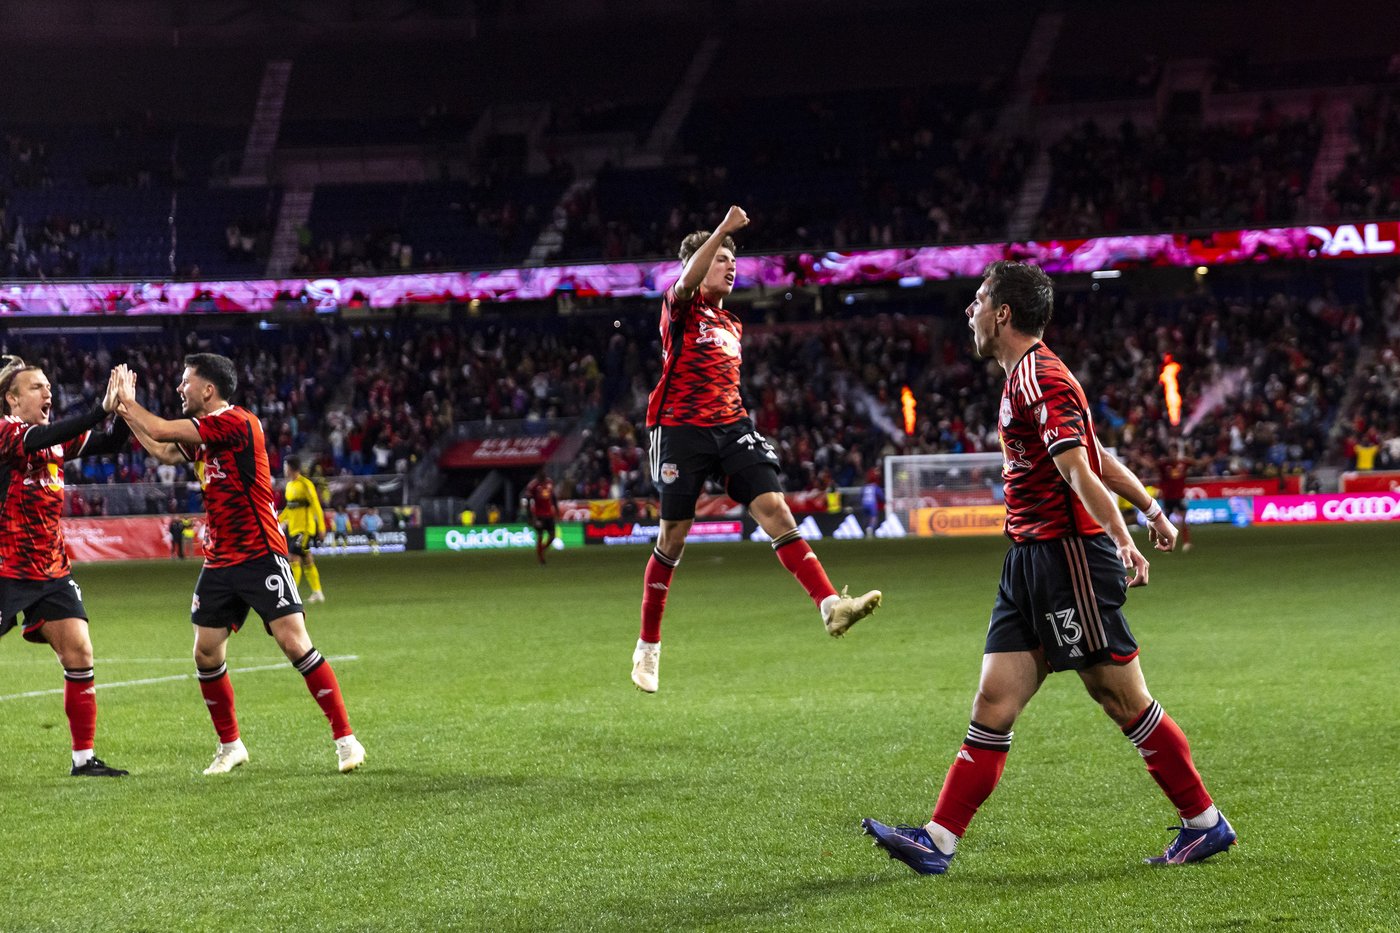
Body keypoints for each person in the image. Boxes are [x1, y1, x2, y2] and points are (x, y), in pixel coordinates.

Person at [861, 261, 1235, 872]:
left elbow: (1080, 472)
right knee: (993, 702)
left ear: (1002, 313)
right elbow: (1101, 457)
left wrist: (1121, 537)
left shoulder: (1040, 376)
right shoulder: (1026, 378)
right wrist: (1152, 510)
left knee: (1122, 698)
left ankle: (1205, 822)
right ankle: (937, 841)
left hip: (1069, 558)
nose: (970, 311)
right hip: (1029, 561)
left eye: (978, 300)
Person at [632, 205, 882, 693]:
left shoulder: (732, 325)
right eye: (720, 258)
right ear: (699, 265)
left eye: (732, 258)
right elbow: (685, 282)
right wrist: (722, 228)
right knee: (674, 536)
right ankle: (648, 647)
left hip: (731, 425)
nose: (730, 265)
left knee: (777, 511)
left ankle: (831, 606)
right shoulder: (679, 307)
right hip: (680, 428)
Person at [111, 358, 365, 775]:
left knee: (294, 642)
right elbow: (160, 449)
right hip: (221, 559)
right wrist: (122, 411)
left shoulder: (236, 422)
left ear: (208, 390)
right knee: (206, 651)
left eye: (185, 381)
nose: (179, 388)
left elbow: (159, 429)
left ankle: (346, 740)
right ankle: (231, 746)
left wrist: (127, 401)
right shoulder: (204, 431)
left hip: (260, 551)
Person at [0, 357, 130, 777]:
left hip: (51, 570)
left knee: (79, 653)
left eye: (48, 386)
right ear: (12, 399)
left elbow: (109, 444)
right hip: (5, 568)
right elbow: (45, 435)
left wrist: (124, 407)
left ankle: (83, 759)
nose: (47, 392)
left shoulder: (54, 441)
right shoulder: (7, 432)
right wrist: (99, 409)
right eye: (36, 387)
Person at [280, 456, 327, 602]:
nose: (284, 469)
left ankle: (291, 595)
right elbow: (290, 508)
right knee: (307, 560)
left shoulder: (305, 484)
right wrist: (279, 520)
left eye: (285, 465)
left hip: (305, 529)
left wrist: (322, 526)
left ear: (291, 467)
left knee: (293, 558)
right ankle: (318, 592)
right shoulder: (289, 486)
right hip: (293, 529)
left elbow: (316, 506)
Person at [1155, 443, 1194, 552]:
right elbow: (1150, 465)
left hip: (1180, 497)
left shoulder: (1183, 463)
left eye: (1175, 452)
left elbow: (1197, 463)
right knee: (1165, 522)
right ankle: (1165, 544)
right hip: (1168, 497)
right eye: (1171, 452)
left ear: (1177, 453)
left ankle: (1186, 542)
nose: (1173, 454)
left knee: (1183, 520)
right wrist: (1138, 458)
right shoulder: (1163, 465)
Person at [522, 468, 558, 565]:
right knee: (540, 535)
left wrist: (556, 510)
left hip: (549, 514)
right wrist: (530, 517)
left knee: (552, 536)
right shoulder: (533, 485)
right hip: (539, 515)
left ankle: (541, 550)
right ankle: (541, 557)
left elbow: (553, 497)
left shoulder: (549, 482)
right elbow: (529, 501)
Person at [861, 468, 885, 537]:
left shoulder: (865, 487)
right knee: (874, 517)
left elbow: (861, 495)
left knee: (866, 517)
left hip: (864, 503)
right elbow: (880, 495)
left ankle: (865, 529)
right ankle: (870, 528)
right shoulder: (875, 487)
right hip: (872, 504)